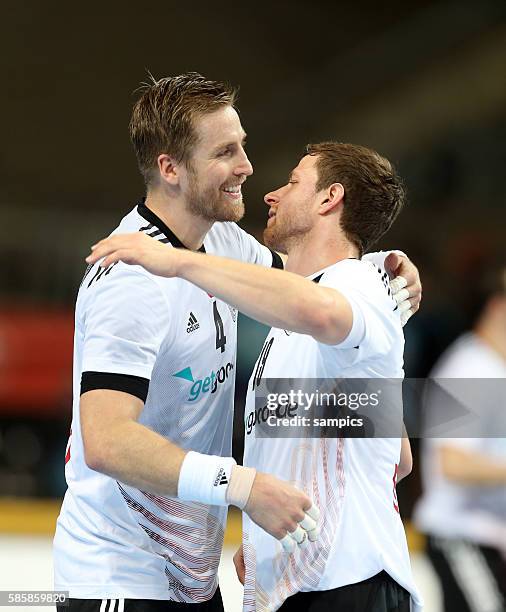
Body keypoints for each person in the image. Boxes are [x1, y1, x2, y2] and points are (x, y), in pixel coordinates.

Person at [87, 140, 423, 611]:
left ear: (330, 199)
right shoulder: (293, 314)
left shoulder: (357, 283)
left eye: (292, 182)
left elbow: (323, 313)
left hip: (349, 584)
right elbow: (398, 455)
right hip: (300, 584)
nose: (271, 194)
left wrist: (179, 262)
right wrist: (269, 542)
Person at [414, 267, 506, 612]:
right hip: (460, 535)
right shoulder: (472, 366)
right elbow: (452, 462)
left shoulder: (493, 368)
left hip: (485, 539)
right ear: (498, 306)